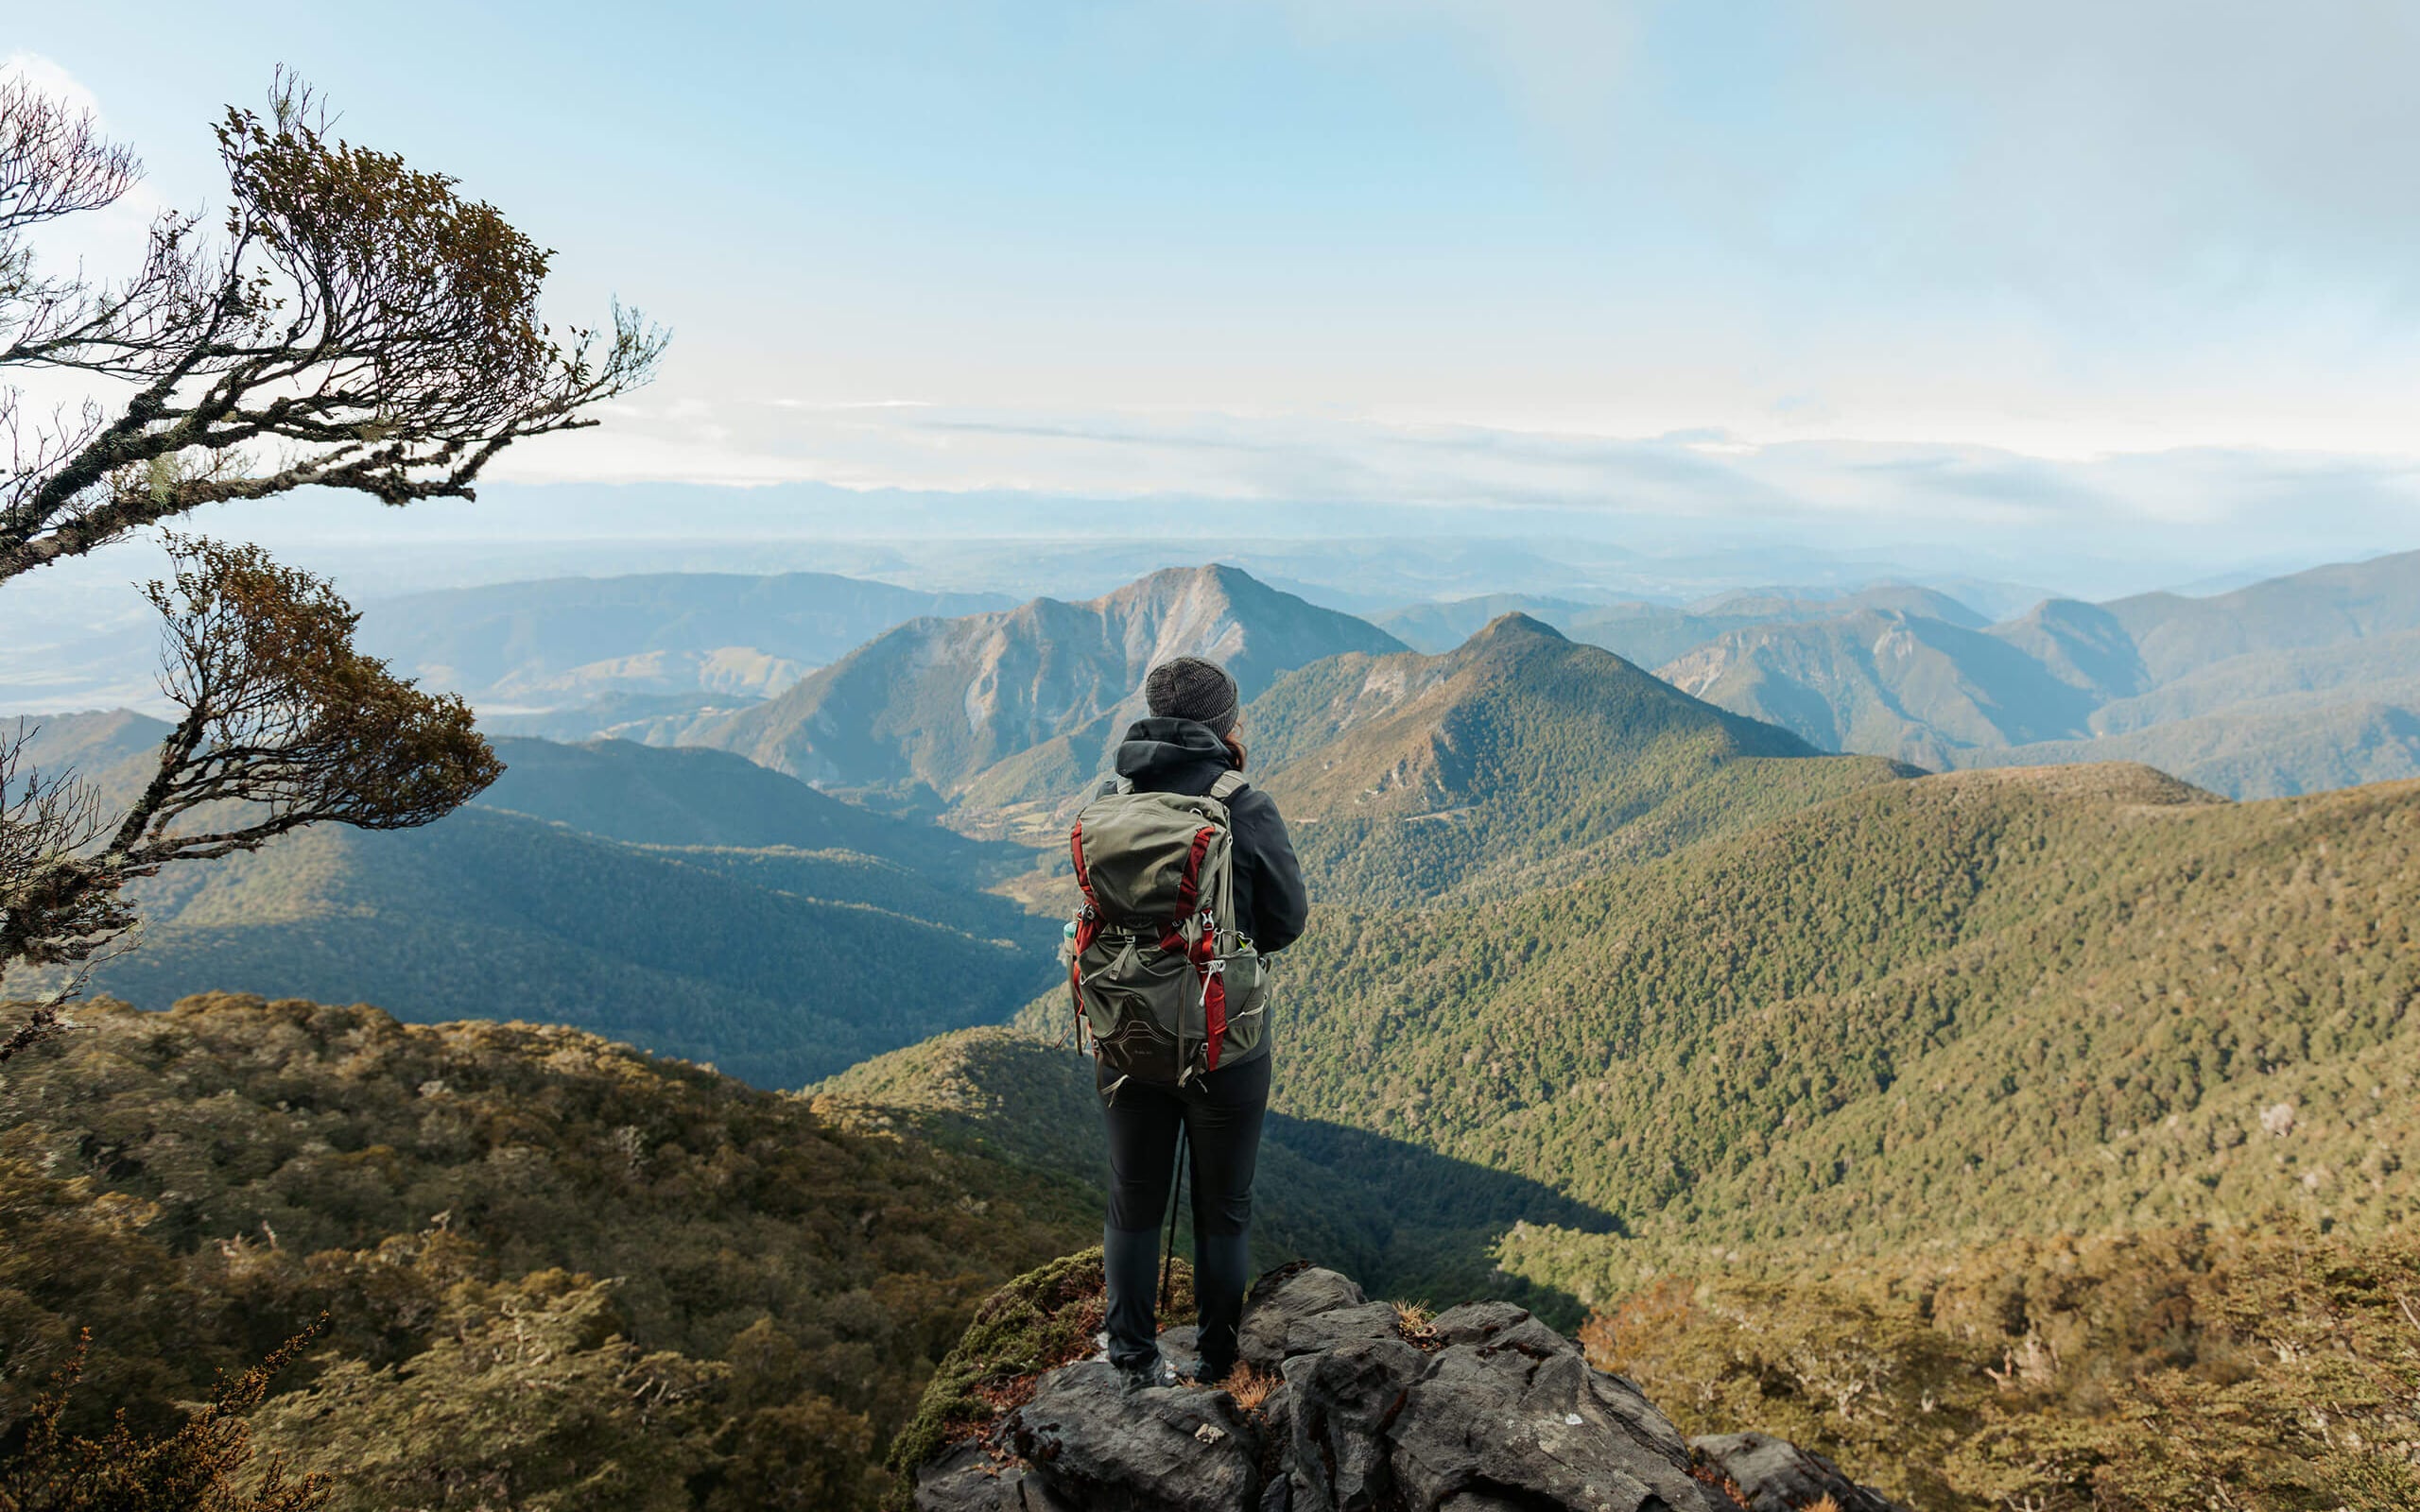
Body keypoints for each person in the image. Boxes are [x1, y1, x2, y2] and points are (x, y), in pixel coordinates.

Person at [1098, 655, 1307, 1388]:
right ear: (1226, 724)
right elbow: (1286, 921)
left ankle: (1128, 1358)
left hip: (1125, 1031)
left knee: (1133, 1198)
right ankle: (1218, 1364)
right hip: (1226, 1038)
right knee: (1224, 1210)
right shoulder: (1241, 804)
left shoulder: (1113, 798)